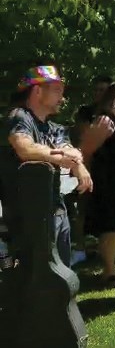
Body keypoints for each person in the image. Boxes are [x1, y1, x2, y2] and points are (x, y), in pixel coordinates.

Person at [0, 65, 92, 267]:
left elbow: (72, 151)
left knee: (61, 278)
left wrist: (79, 165)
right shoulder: (19, 117)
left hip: (55, 212)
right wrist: (61, 157)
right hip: (26, 217)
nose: (63, 97)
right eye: (57, 90)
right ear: (37, 90)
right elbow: (24, 148)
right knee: (35, 281)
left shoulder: (54, 128)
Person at [78, 82, 115, 282]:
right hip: (108, 177)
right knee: (111, 225)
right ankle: (109, 269)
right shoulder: (104, 120)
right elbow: (90, 149)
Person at [67, 75, 113, 265]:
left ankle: (106, 249)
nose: (98, 94)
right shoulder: (86, 112)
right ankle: (79, 248)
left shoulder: (114, 113)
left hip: (109, 167)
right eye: (96, 90)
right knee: (82, 208)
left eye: (103, 90)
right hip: (89, 165)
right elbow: (83, 135)